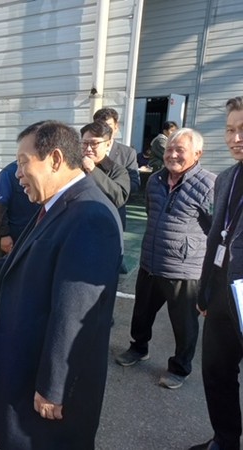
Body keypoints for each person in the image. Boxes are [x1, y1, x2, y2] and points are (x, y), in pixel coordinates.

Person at [0, 120, 123, 449]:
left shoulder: (89, 216)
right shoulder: (55, 206)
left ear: (55, 159)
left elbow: (77, 313)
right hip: (26, 364)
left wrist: (55, 386)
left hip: (47, 380)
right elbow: (21, 260)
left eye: (24, 162)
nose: (17, 174)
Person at [115, 128, 215, 390]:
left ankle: (180, 367)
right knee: (142, 314)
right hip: (150, 261)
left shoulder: (209, 185)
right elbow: (152, 212)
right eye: (169, 149)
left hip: (184, 269)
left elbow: (216, 230)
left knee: (184, 324)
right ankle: (138, 348)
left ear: (197, 154)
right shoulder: (156, 180)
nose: (172, 154)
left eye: (179, 150)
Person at [190, 97, 243, 450]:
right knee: (216, 372)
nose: (235, 137)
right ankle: (224, 441)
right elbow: (215, 239)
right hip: (224, 293)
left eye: (242, 130)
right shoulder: (226, 177)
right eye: (230, 129)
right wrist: (205, 291)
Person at [93, 107, 141, 273]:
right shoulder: (85, 151)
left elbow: (134, 184)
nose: (105, 130)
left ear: (116, 127)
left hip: (115, 211)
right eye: (99, 126)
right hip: (89, 211)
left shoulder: (127, 154)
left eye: (108, 126)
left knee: (112, 260)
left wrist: (117, 184)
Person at [80, 121, 131, 209]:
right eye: (85, 143)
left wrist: (93, 170)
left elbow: (119, 198)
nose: (88, 149)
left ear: (108, 144)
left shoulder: (118, 171)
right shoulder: (74, 167)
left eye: (94, 143)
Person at [0, 160, 40, 254]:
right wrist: (4, 234)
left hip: (38, 234)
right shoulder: (8, 174)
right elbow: (0, 206)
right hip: (17, 237)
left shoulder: (39, 170)